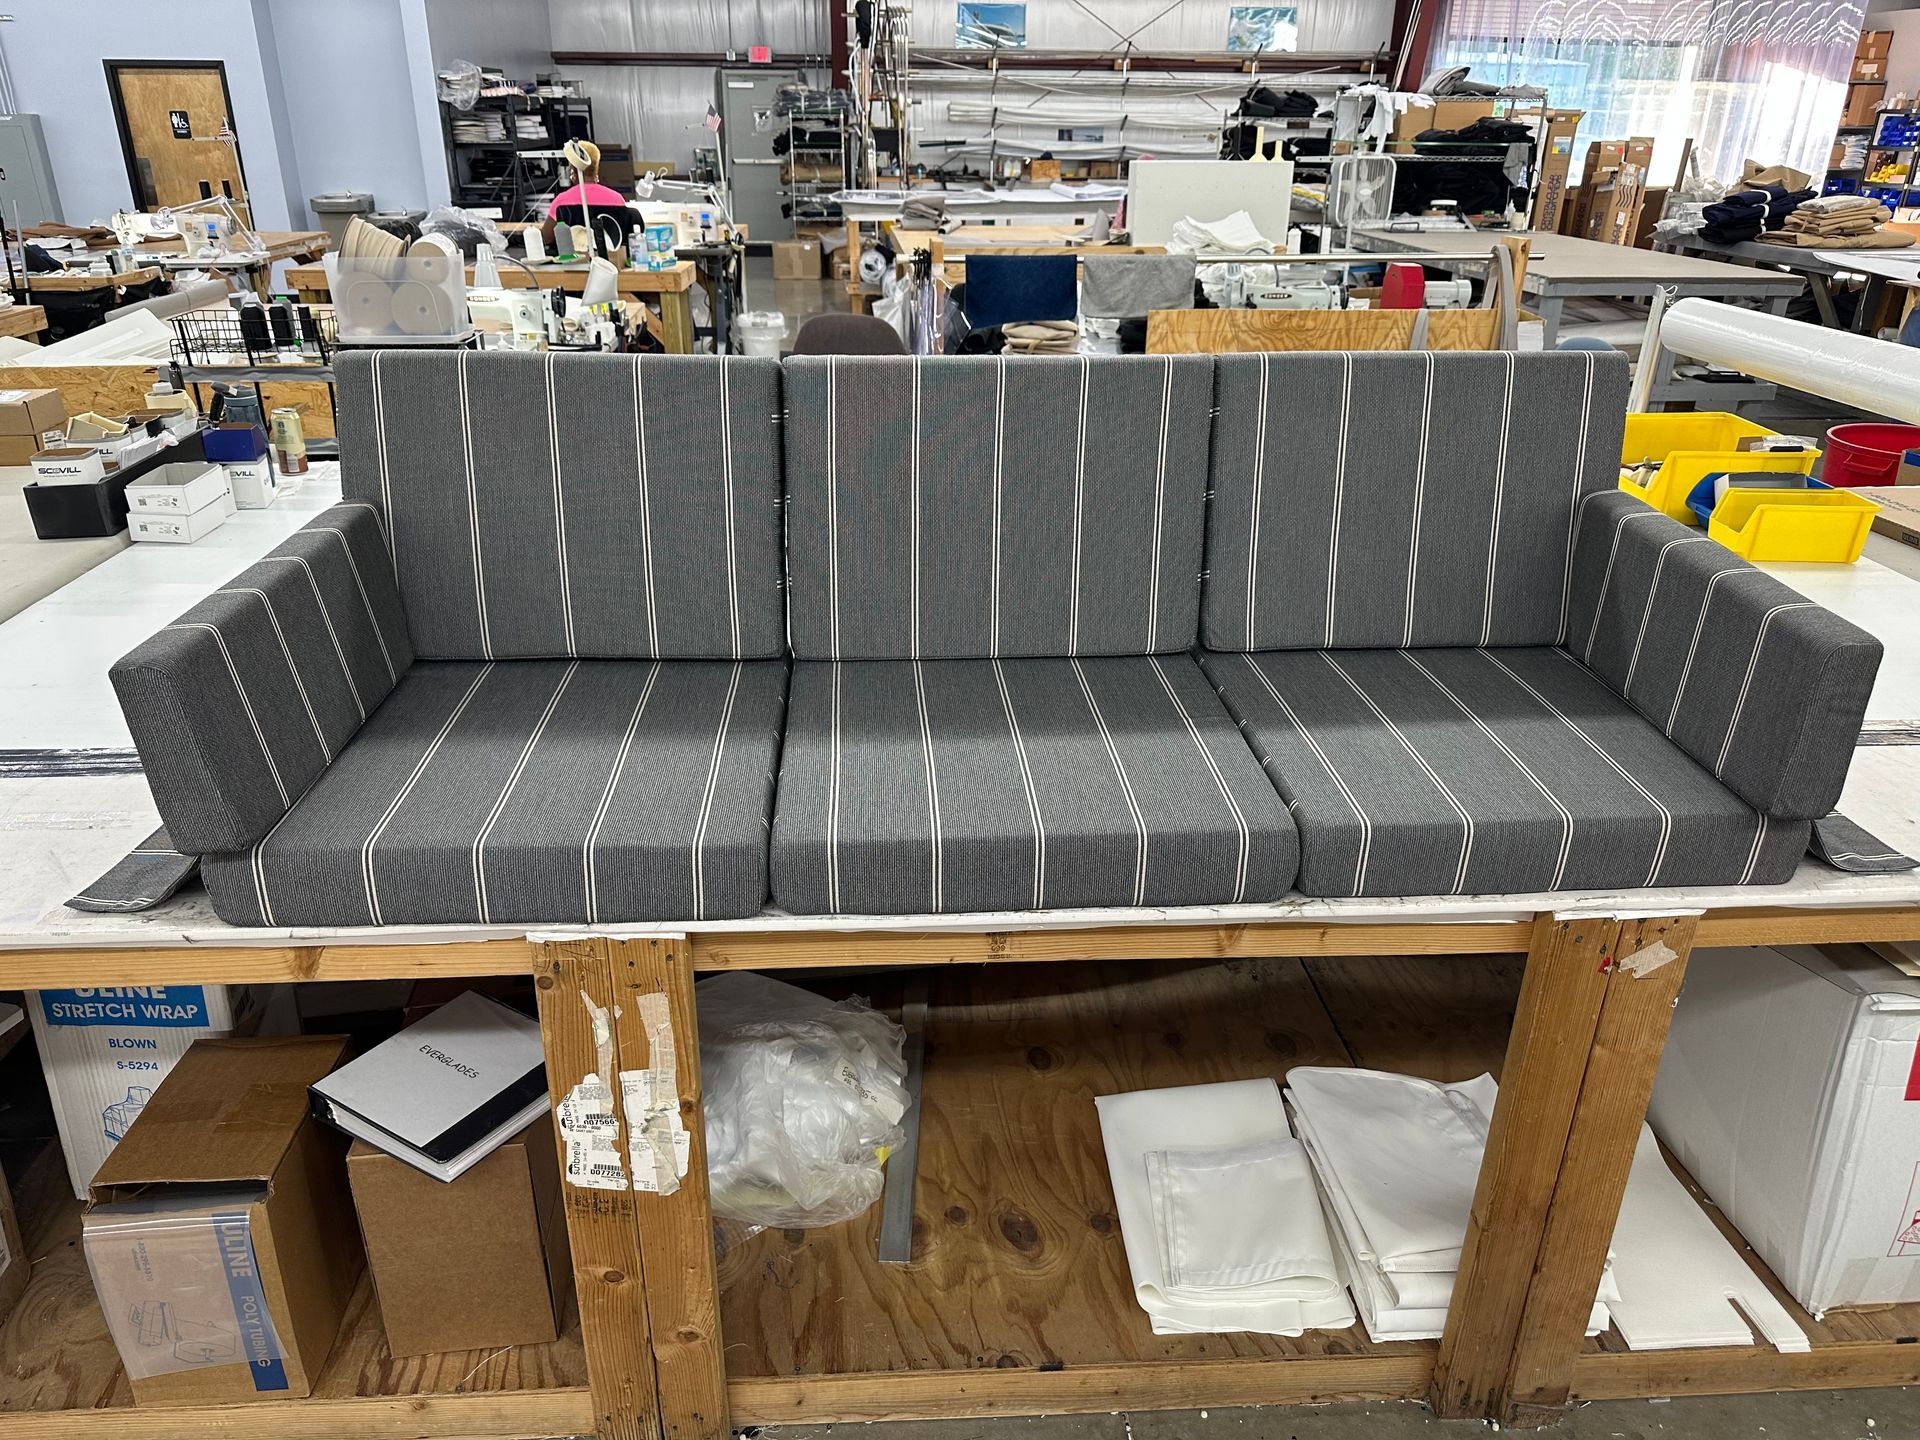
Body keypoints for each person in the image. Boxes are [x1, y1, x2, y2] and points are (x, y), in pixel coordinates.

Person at [540, 141, 630, 252]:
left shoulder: (562, 201)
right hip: (611, 263)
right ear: (597, 169)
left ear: (572, 170)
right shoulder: (617, 199)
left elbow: (546, 237)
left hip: (572, 265)